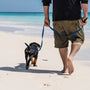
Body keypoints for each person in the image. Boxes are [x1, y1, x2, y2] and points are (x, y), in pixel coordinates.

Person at [42, 0, 88, 74]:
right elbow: (84, 1)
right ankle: (71, 57)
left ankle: (65, 68)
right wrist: (85, 16)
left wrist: (46, 17)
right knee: (78, 39)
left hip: (57, 18)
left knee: (61, 43)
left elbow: (46, 1)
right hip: (74, 17)